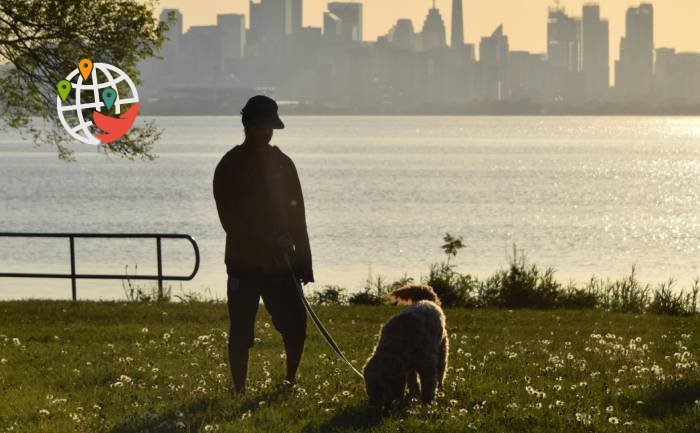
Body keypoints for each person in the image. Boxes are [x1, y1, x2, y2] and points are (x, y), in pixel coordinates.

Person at [213, 95, 314, 394]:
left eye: (271, 127)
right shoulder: (229, 166)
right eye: (262, 126)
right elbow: (230, 222)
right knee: (241, 330)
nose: (268, 132)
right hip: (243, 263)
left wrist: (304, 262)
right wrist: (270, 240)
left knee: (296, 326)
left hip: (281, 264)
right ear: (248, 126)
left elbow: (298, 216)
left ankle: (289, 382)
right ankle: (239, 388)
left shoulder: (283, 164)